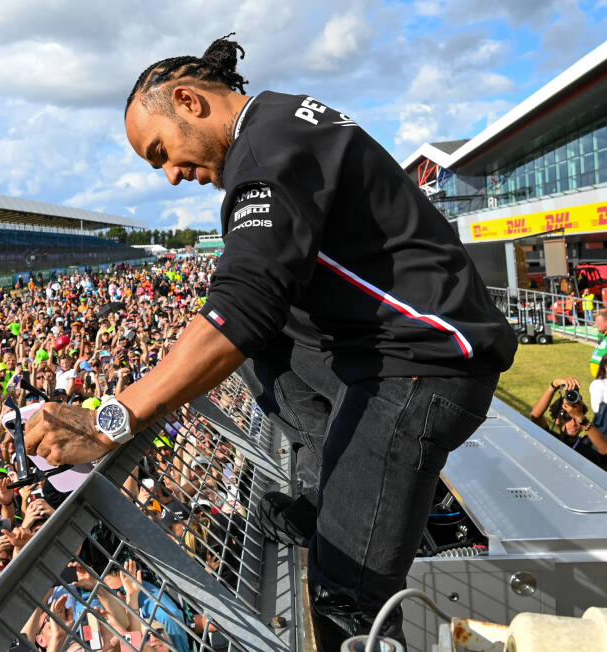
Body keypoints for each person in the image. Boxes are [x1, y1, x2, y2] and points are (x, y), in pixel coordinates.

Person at [25, 34, 517, 649]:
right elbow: (253, 306)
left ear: (189, 101)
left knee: (342, 603)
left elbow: (244, 306)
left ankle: (348, 541)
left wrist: (111, 418)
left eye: (162, 153)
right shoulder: (280, 122)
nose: (173, 176)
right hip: (399, 350)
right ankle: (326, 493)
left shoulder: (265, 145)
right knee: (260, 333)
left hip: (423, 366)